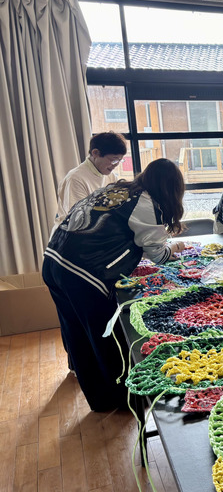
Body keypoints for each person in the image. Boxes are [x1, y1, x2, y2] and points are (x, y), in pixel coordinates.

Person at [43, 158, 187, 412]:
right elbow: (157, 254)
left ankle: (100, 401)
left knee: (78, 336)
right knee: (108, 338)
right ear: (170, 188)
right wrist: (174, 247)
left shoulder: (118, 189)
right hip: (84, 273)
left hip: (54, 261)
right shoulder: (145, 202)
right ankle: (124, 401)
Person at [55, 131, 128, 225]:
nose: (116, 165)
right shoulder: (76, 179)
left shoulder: (111, 176)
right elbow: (77, 218)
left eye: (119, 160)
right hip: (76, 230)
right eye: (113, 160)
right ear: (95, 153)